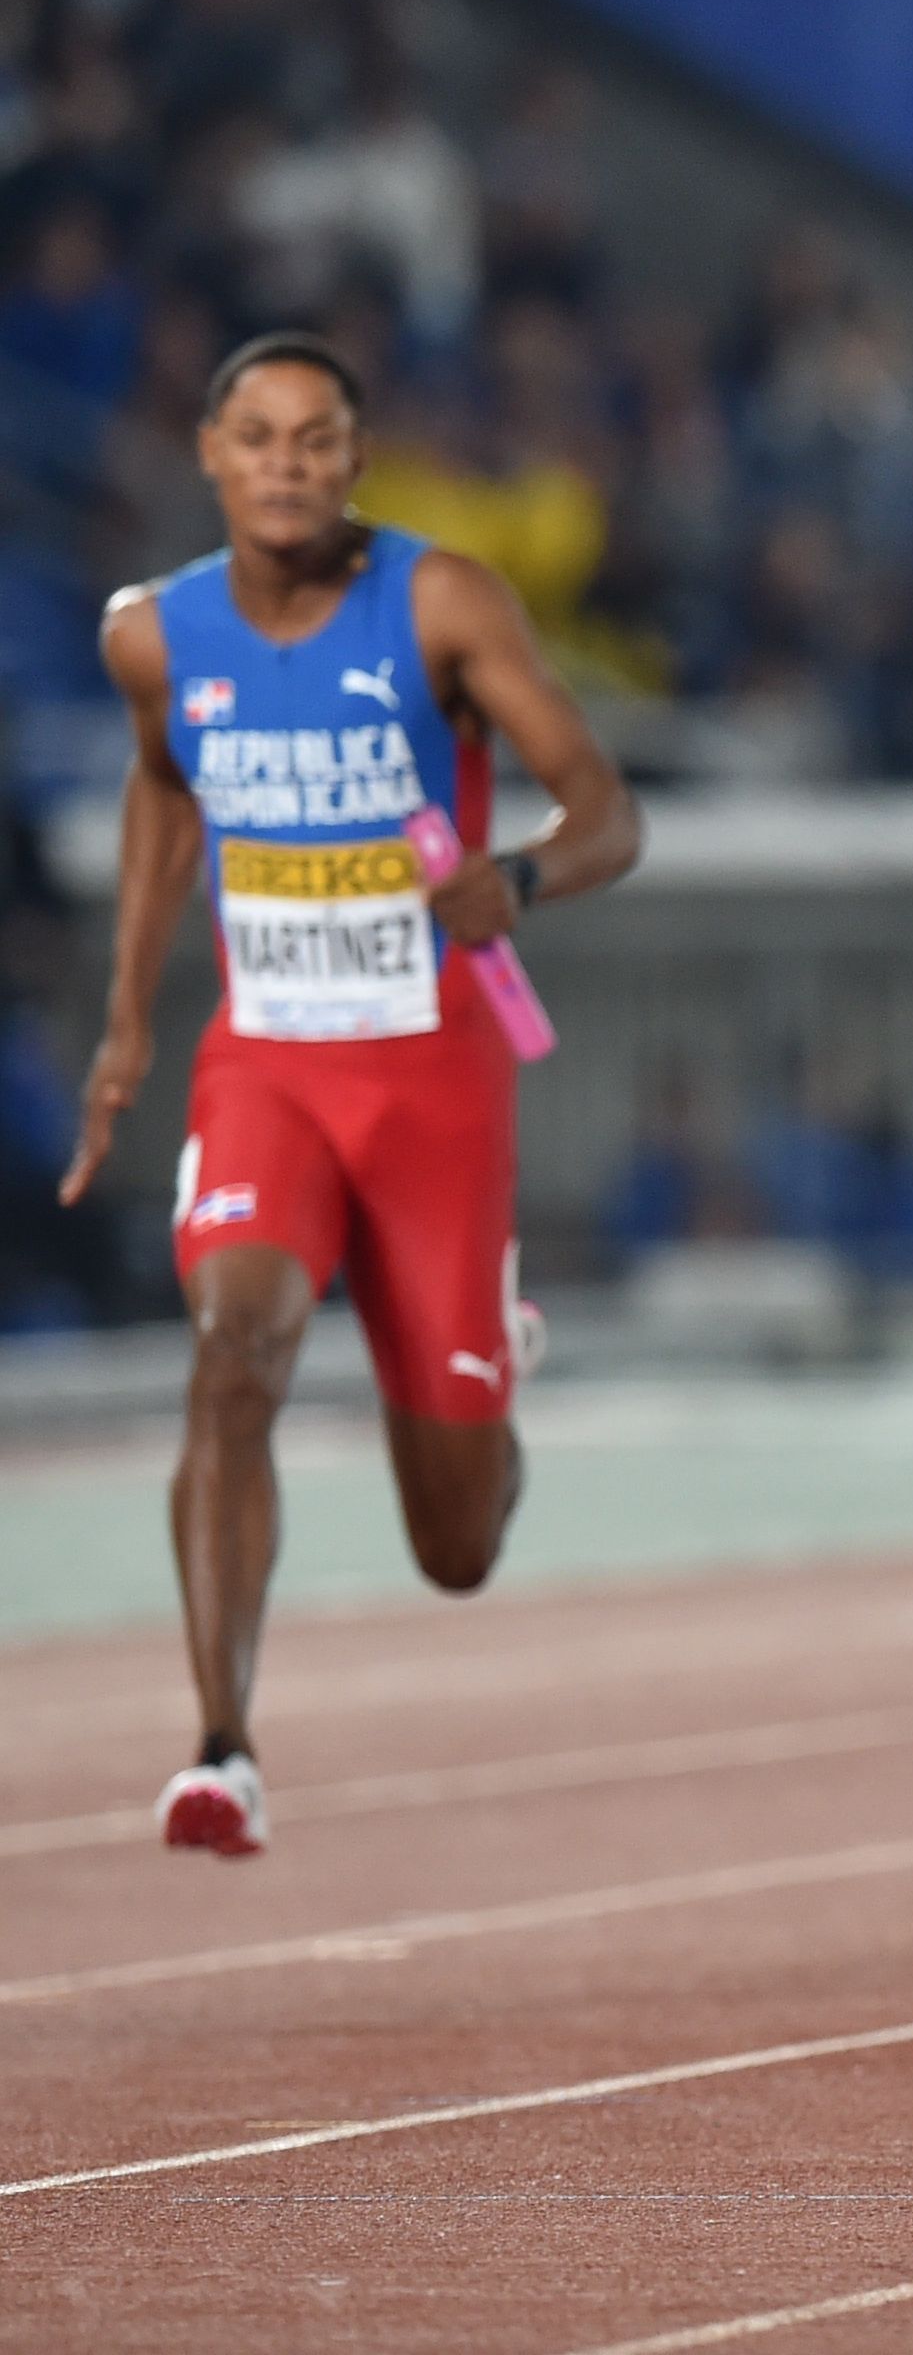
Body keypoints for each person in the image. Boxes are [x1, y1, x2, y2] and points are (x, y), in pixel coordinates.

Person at [59, 332, 644, 1859]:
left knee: (454, 1546)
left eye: (316, 439)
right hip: (267, 1070)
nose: (286, 465)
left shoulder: (439, 602)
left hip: (433, 1082)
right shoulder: (154, 636)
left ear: (355, 458)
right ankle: (221, 1751)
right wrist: (127, 1022)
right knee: (231, 1352)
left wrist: (516, 875)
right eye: (256, 437)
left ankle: (485, 1362)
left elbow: (607, 810)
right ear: (209, 454)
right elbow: (163, 796)